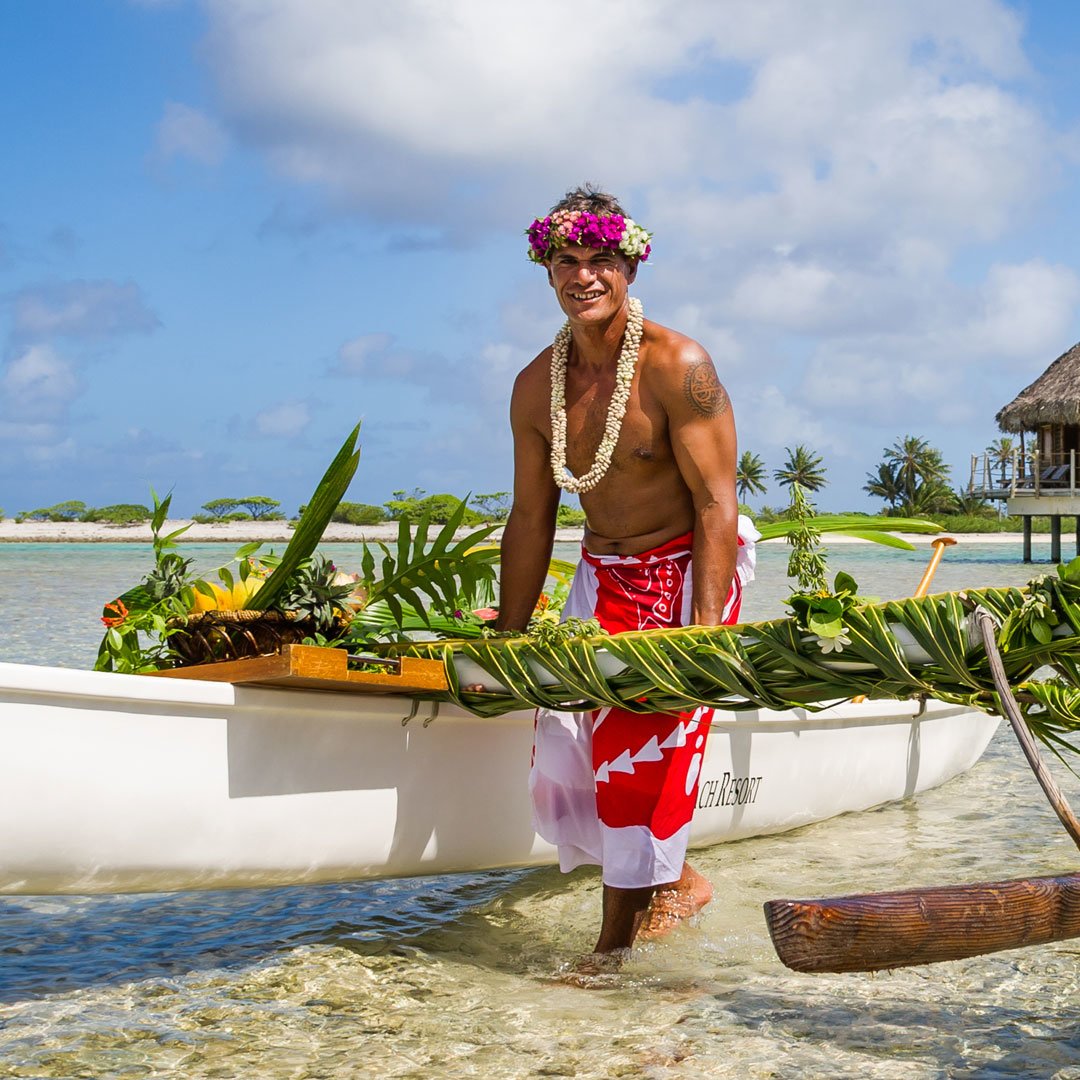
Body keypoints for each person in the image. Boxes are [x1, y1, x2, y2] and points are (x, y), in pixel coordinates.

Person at [495, 185, 756, 966]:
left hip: (688, 569)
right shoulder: (534, 385)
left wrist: (702, 637)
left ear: (630, 265)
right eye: (566, 261)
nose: (584, 276)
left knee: (637, 755)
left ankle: (608, 953)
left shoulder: (680, 365)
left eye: (600, 260)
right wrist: (509, 641)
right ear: (546, 271)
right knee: (570, 749)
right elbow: (532, 517)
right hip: (602, 575)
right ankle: (682, 882)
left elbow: (715, 503)